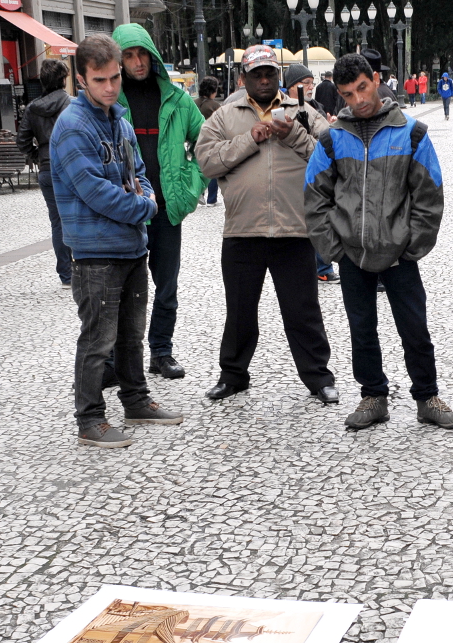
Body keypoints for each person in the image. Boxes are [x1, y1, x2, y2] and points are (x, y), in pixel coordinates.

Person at [305, 53, 453, 431]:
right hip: (352, 255)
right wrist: (335, 250)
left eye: (362, 87)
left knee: (415, 328)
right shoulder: (331, 140)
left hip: (400, 256)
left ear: (375, 79)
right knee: (361, 330)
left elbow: (429, 195)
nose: (358, 99)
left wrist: (412, 247)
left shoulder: (411, 133)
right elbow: (314, 199)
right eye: (347, 94)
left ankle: (427, 397)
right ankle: (372, 395)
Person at [51, 34, 184, 448]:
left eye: (115, 78)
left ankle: (136, 399)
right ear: (81, 79)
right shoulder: (72, 126)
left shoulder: (119, 120)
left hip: (130, 247)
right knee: (97, 339)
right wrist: (145, 207)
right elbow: (94, 191)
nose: (110, 87)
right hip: (95, 254)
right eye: (100, 80)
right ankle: (90, 419)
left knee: (131, 334)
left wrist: (143, 194)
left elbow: (140, 171)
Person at [195, 46, 339, 407]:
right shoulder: (225, 117)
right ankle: (232, 375)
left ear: (279, 77)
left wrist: (292, 135)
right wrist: (251, 137)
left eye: (270, 74)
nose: (264, 80)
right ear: (242, 79)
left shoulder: (302, 112)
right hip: (243, 231)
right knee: (240, 311)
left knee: (303, 310)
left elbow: (331, 156)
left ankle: (319, 377)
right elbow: (206, 162)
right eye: (256, 74)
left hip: (294, 229)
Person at [112, 23, 207, 381]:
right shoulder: (112, 98)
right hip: (124, 213)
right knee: (120, 290)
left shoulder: (178, 100)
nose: (137, 62)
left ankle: (161, 352)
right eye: (129, 55)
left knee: (166, 287)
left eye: (143, 54)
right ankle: (114, 360)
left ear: (153, 55)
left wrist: (191, 185)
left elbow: (207, 143)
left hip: (166, 209)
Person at [17, 59, 73, 286]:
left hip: (48, 169)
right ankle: (82, 267)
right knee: (77, 216)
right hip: (70, 167)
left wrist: (37, 155)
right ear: (62, 80)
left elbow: (21, 141)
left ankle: (66, 274)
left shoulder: (32, 108)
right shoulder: (72, 104)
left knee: (57, 221)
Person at [284, 62, 339, 283]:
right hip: (292, 178)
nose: (310, 87)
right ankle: (318, 266)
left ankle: (323, 266)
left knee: (319, 217)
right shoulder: (286, 109)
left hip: (315, 174)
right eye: (305, 83)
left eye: (311, 83)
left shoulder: (313, 106)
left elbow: (326, 137)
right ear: (292, 86)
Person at [195, 76, 222, 207]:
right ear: (213, 91)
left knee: (196, 167)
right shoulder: (215, 106)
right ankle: (212, 198)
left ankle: (199, 192)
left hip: (194, 140)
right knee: (212, 168)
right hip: (210, 141)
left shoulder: (193, 103)